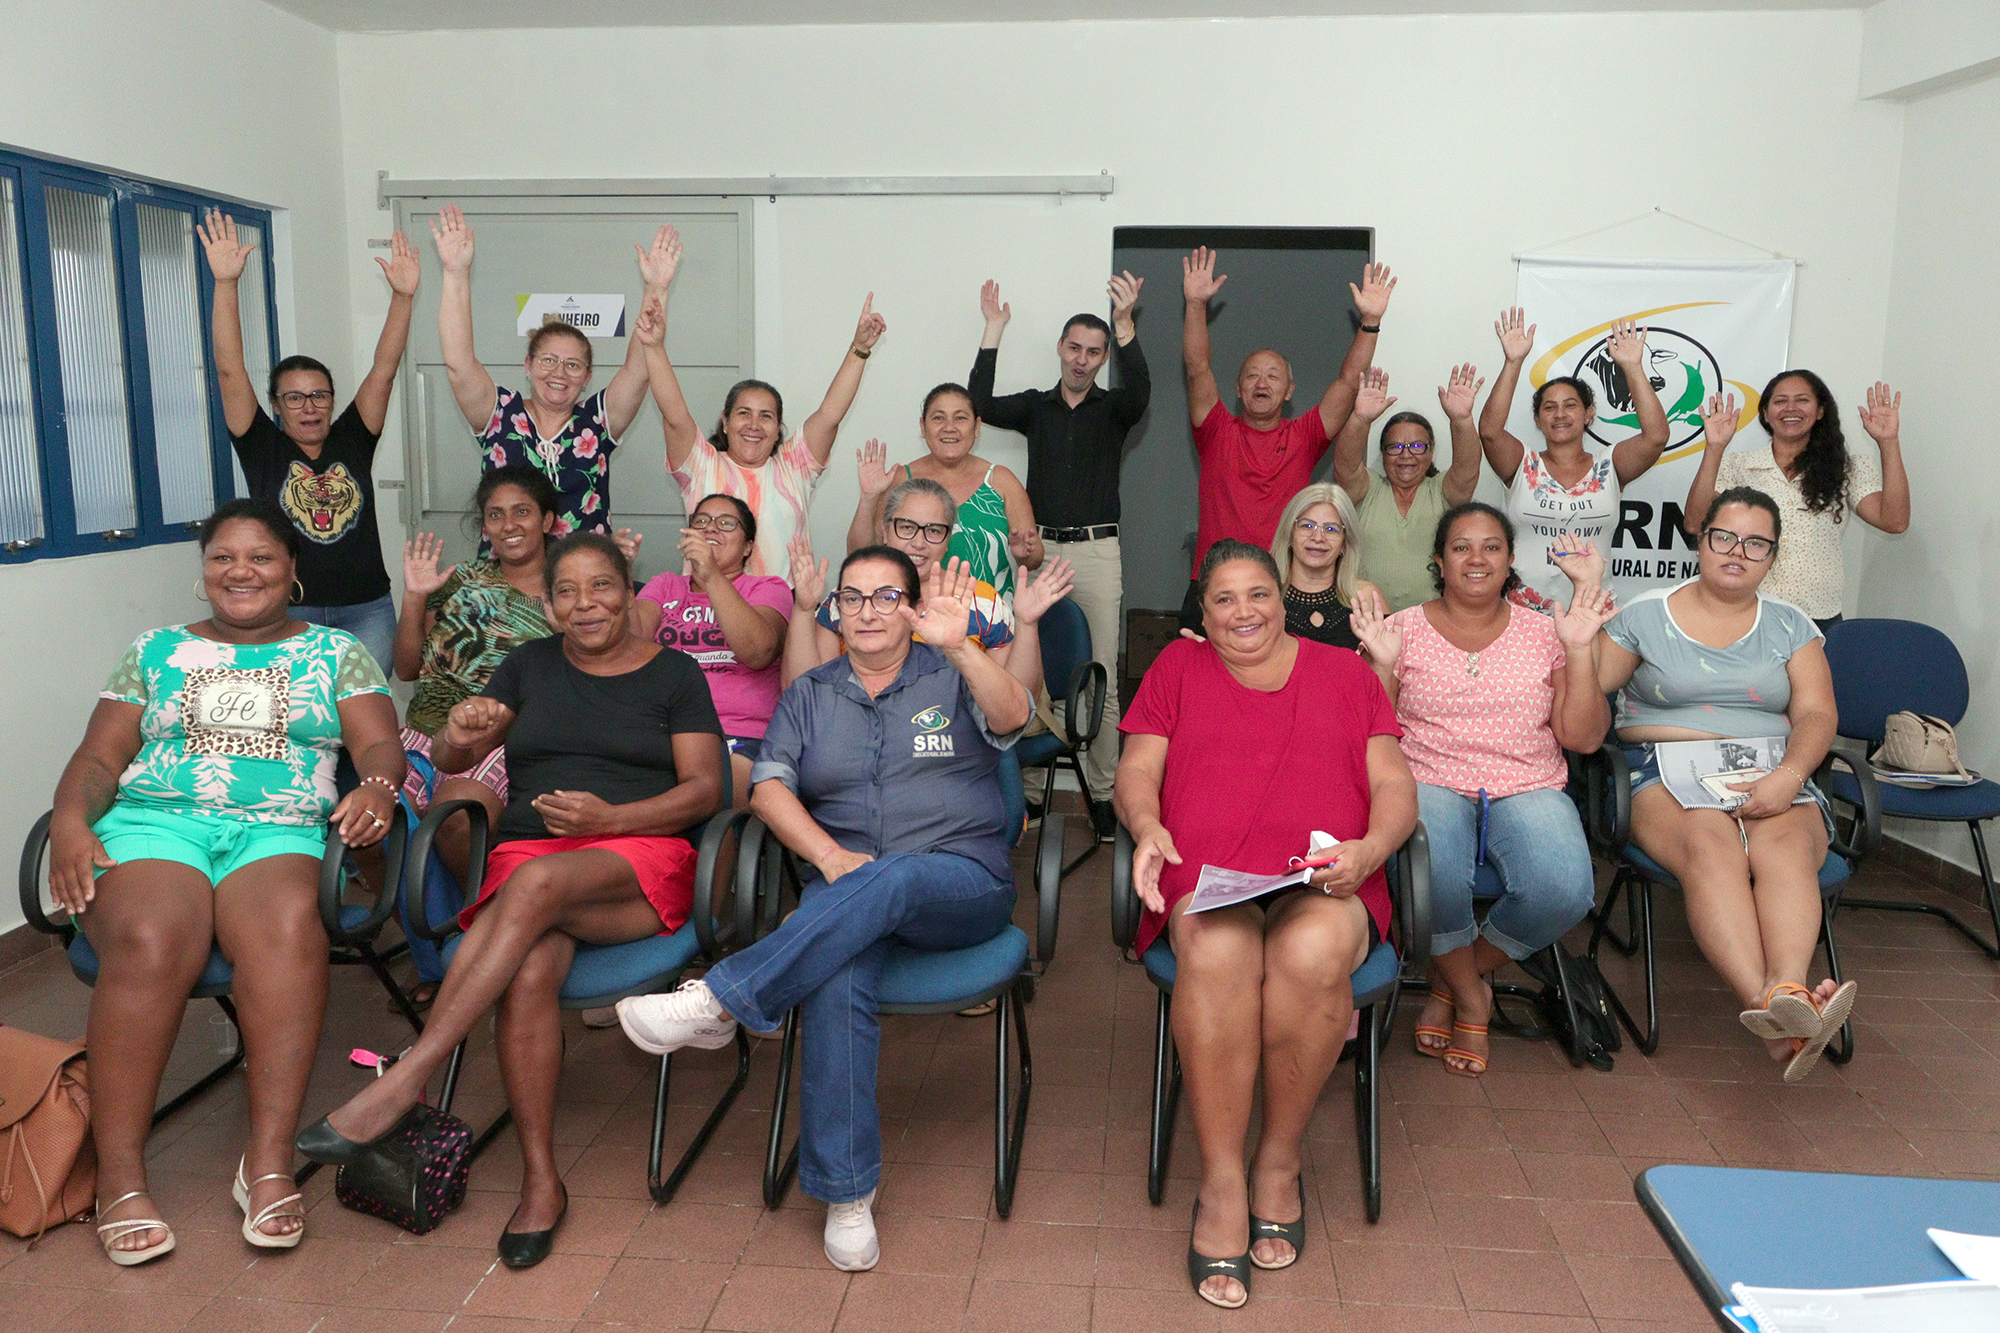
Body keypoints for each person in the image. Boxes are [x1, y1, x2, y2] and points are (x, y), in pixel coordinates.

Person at [297, 533, 726, 1268]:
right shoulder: (527, 664)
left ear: (629, 590)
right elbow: (456, 754)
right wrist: (459, 735)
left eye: (601, 587)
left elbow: (706, 789)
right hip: (539, 857)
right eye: (567, 592)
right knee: (528, 971)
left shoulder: (675, 675)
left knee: (531, 886)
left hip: (639, 858)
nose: (585, 604)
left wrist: (610, 819)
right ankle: (540, 1181)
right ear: (549, 604)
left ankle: (410, 1075)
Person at [612, 548, 1034, 1275]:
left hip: (961, 885)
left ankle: (722, 995)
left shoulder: (951, 671)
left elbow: (1015, 715)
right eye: (853, 597)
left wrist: (961, 645)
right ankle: (847, 1192)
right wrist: (831, 858)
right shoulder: (809, 693)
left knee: (892, 877)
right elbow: (770, 788)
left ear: (909, 605)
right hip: (846, 894)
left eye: (885, 596)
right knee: (836, 968)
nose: (868, 611)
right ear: (835, 608)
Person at [47, 499, 402, 1266]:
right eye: (223, 558)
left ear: (292, 571)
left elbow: (378, 740)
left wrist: (375, 785)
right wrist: (71, 822)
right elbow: (99, 760)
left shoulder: (337, 652)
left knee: (285, 933)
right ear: (205, 570)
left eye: (262, 557)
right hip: (155, 823)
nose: (241, 571)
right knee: (150, 937)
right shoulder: (155, 650)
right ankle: (121, 1175)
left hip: (276, 828)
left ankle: (267, 1162)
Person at [1116, 539, 1417, 1310]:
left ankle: (1277, 1163)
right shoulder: (1176, 670)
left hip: (1326, 875)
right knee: (1217, 952)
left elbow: (1393, 785)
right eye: (1223, 599)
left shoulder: (1348, 673)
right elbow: (1137, 773)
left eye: (1257, 593)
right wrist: (1147, 828)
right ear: (1203, 610)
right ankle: (1220, 1181)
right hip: (1208, 876)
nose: (1242, 611)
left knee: (1313, 951)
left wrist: (1372, 849)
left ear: (1281, 596)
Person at [1592, 486, 1856, 1083]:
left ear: (1773, 556)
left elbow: (1817, 715)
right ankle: (1775, 1010)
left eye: (1756, 543)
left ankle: (1785, 991)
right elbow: (1586, 706)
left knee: (1784, 847)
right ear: (1700, 539)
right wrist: (1580, 635)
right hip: (1664, 766)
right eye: (1724, 537)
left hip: (1771, 767)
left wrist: (1789, 778)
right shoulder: (1643, 614)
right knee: (1710, 844)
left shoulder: (1792, 624)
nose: (1738, 551)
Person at [1352, 503, 1613, 1077]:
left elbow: (1584, 737)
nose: (1477, 558)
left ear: (1511, 561)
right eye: (1461, 546)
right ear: (1439, 561)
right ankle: (1473, 999)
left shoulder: (1549, 630)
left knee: (1566, 890)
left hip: (1528, 782)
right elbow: (1368, 739)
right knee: (1435, 876)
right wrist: (1384, 667)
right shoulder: (1399, 629)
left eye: (1492, 546)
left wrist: (1579, 648)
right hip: (1430, 778)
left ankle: (1453, 980)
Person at [968, 274, 1150, 831]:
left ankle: (1102, 793)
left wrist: (1125, 328)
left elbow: (1141, 392)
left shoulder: (1115, 409)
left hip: (1096, 553)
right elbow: (978, 403)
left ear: (1102, 359)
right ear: (1060, 349)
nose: (1082, 359)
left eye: (1094, 352)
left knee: (1100, 677)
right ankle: (1025, 794)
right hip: (1036, 552)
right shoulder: (1035, 407)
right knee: (1026, 669)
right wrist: (993, 331)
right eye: (1075, 348)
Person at [200, 212, 414, 671]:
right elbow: (229, 370)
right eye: (294, 398)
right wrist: (226, 283)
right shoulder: (262, 446)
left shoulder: (353, 439)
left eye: (319, 395)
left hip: (367, 609)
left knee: (363, 724)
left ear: (333, 401)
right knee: (294, 721)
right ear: (276, 405)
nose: (309, 406)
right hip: (285, 612)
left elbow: (383, 369)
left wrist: (402, 296)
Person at [394, 466, 564, 997]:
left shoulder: (567, 592)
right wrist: (416, 597)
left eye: (522, 512)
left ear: (548, 521)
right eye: (495, 515)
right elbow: (404, 669)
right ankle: (432, 959)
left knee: (454, 820)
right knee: (374, 830)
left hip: (506, 736)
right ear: (483, 526)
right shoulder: (460, 582)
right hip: (425, 727)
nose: (508, 524)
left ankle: (486, 938)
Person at [638, 229, 887, 576]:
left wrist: (859, 349)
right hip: (708, 613)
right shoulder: (702, 466)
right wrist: (653, 346)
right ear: (725, 422)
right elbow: (674, 414)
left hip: (784, 614)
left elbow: (830, 414)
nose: (754, 425)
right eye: (743, 414)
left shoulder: (793, 467)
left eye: (766, 416)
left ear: (778, 430)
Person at [1176, 249, 1395, 632]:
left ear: (1290, 390)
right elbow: (1197, 368)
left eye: (1273, 376)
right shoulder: (1215, 431)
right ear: (1239, 390)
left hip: (1280, 586)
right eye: (1252, 376)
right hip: (1213, 584)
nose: (1262, 383)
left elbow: (1347, 383)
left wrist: (1371, 322)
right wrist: (1195, 305)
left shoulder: (1305, 436)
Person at [433, 203, 672, 542]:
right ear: (528, 366)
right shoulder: (499, 413)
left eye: (573, 365)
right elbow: (459, 363)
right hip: (506, 585)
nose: (559, 372)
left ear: (587, 377)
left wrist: (657, 289)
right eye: (548, 360)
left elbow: (638, 369)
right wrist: (455, 273)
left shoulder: (598, 422)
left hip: (582, 585)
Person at [790, 474, 1071, 700]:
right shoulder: (850, 598)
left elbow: (1019, 702)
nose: (919, 542)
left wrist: (1027, 623)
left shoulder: (982, 601)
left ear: (949, 539)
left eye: (934, 530)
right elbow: (806, 696)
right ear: (885, 531)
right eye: (906, 527)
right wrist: (803, 610)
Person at [1680, 374, 1912, 633]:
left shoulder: (1847, 468)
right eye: (1780, 401)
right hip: (1744, 609)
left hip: (1816, 617)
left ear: (1821, 411)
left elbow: (1895, 521)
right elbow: (1694, 523)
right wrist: (1714, 447)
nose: (1791, 409)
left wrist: (1888, 442)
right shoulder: (1737, 465)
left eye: (1802, 400)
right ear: (1766, 414)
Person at [1477, 309, 1671, 613]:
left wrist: (1632, 368)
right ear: (1538, 420)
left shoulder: (1611, 465)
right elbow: (1489, 432)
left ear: (1588, 414)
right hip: (1522, 614)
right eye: (1549, 408)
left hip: (1593, 611)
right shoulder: (1522, 463)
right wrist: (1513, 362)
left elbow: (1656, 437)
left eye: (1570, 406)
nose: (1560, 414)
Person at [635, 493, 791, 806]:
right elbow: (627, 646)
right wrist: (617, 577)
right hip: (661, 732)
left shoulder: (767, 588)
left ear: (748, 547)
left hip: (737, 735)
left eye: (726, 523)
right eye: (702, 522)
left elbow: (758, 652)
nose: (711, 530)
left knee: (711, 790)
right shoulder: (665, 585)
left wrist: (711, 575)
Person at [845, 385, 1042, 600]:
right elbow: (861, 555)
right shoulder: (900, 479)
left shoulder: (1002, 481)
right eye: (938, 418)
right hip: (913, 621)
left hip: (989, 623)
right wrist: (869, 498)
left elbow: (1034, 559)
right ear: (923, 426)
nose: (950, 427)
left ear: (977, 427)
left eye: (960, 418)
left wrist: (1026, 554)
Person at [1332, 364, 1485, 612]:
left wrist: (1461, 419)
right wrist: (1360, 418)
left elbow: (1467, 468)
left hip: (1432, 623)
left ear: (1431, 451)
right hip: (1365, 620)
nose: (1407, 455)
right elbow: (1345, 465)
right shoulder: (1367, 489)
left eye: (1417, 446)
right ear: (1383, 453)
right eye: (1395, 447)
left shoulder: (1441, 492)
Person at [1266, 482, 1385, 651]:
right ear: (1290, 535)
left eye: (1331, 529)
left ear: (1345, 543)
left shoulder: (1367, 598)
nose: (1318, 537)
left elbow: (1386, 669)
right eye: (1307, 526)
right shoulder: (1263, 597)